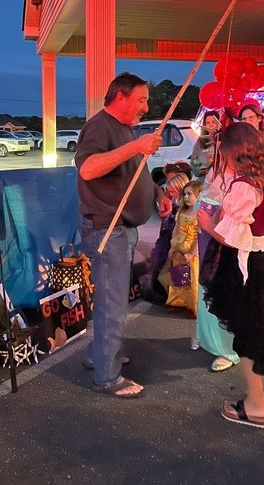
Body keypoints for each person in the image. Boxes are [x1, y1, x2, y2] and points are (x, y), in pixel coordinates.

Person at [75, 72, 172, 399]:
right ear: (120, 97)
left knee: (112, 301)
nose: (146, 107)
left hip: (122, 227)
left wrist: (156, 192)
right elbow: (87, 168)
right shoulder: (100, 126)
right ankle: (107, 377)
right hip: (108, 228)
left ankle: (100, 356)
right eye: (141, 99)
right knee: (112, 304)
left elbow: (132, 173)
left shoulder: (123, 128)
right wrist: (135, 146)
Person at [199, 122, 264, 429]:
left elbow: (233, 238)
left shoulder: (244, 186)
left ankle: (255, 405)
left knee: (249, 331)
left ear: (236, 152)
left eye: (225, 153)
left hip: (248, 267)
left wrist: (207, 225)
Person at [193, 164, 240, 372]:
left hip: (225, 238)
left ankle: (227, 348)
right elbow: (205, 193)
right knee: (206, 286)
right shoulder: (216, 168)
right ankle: (206, 336)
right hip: (206, 235)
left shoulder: (244, 171)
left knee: (224, 288)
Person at [139, 172, 190, 303]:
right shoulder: (175, 204)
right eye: (168, 191)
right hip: (167, 240)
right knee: (160, 265)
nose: (169, 194)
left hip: (176, 243)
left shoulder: (185, 208)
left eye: (172, 191)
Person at [165, 180, 202, 317]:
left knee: (192, 278)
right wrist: (172, 247)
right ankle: (177, 301)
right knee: (178, 275)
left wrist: (192, 253)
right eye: (185, 194)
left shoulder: (200, 214)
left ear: (198, 195)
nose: (186, 197)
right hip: (179, 248)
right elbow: (176, 229)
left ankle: (193, 305)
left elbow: (199, 236)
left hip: (192, 251)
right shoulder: (182, 211)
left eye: (189, 194)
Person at [191, 110, 221, 178]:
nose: (211, 125)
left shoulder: (224, 139)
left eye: (213, 122)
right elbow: (194, 163)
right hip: (204, 180)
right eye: (208, 123)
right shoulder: (200, 141)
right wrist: (200, 170)